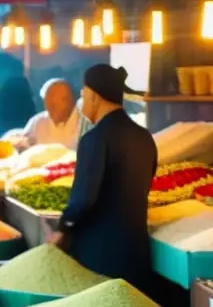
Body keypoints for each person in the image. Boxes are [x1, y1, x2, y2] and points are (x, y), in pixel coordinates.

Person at [56, 65, 157, 289]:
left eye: (83, 94)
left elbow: (83, 199)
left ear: (93, 95)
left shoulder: (95, 139)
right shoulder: (144, 138)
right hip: (136, 254)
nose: (81, 101)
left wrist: (63, 227)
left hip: (99, 255)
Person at [16, 79, 90, 151]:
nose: (50, 108)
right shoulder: (37, 121)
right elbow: (23, 143)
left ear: (70, 100)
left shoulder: (85, 122)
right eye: (48, 103)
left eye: (54, 104)